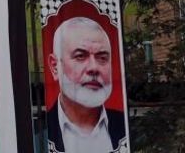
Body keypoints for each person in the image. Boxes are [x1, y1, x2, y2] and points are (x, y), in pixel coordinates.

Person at [42, 14, 129, 153]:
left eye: (102, 58)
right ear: (54, 66)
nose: (93, 68)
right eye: (80, 56)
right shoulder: (38, 131)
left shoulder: (128, 127)